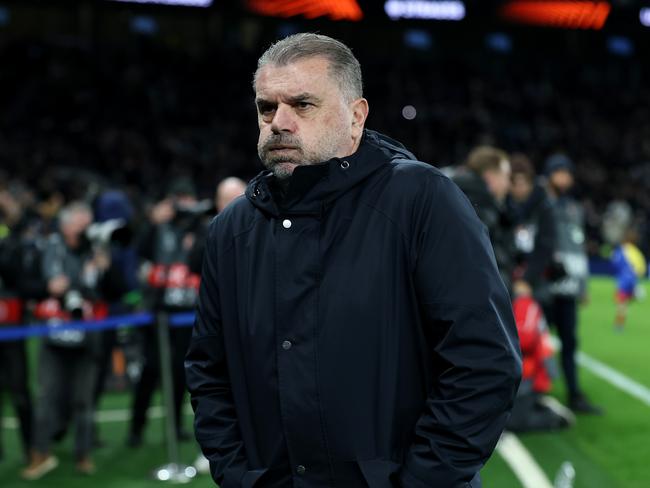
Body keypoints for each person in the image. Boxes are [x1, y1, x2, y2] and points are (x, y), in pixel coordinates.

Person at [185, 33, 521, 488]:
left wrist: (420, 483)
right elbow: (208, 370)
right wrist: (240, 476)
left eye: (302, 105)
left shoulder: (422, 201)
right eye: (267, 107)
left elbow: (483, 363)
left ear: (356, 117)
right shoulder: (232, 231)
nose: (278, 122)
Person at [22, 201, 117, 479]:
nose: (86, 228)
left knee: (84, 401)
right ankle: (40, 453)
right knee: (47, 396)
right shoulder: (48, 248)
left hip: (88, 338)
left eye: (88, 222)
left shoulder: (98, 251)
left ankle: (83, 454)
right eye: (80, 223)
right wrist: (47, 288)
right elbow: (26, 284)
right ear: (65, 226)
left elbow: (118, 290)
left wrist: (106, 268)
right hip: (53, 335)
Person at [543, 154, 602, 414]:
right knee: (533, 342)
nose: (565, 177)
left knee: (569, 343)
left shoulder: (574, 207)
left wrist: (583, 287)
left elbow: (577, 250)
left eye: (567, 172)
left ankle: (574, 394)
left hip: (567, 289)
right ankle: (527, 394)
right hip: (544, 288)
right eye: (559, 172)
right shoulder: (542, 204)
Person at [452, 146, 516, 294]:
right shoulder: (480, 211)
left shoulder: (463, 202)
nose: (508, 185)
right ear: (490, 177)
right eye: (505, 176)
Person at [611, 226, 646, 332]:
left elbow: (614, 262)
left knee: (621, 303)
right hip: (632, 280)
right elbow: (641, 269)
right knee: (624, 302)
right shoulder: (636, 252)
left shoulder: (621, 250)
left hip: (623, 280)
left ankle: (619, 325)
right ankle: (635, 293)